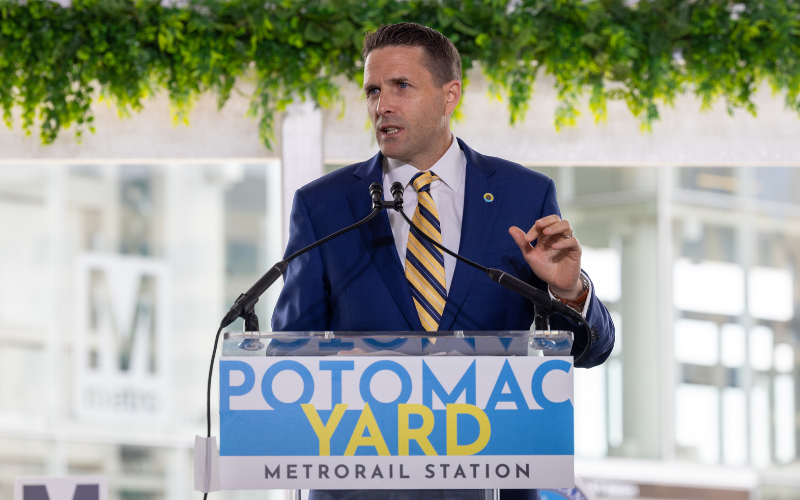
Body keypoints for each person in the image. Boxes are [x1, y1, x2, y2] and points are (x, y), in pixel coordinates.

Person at [272, 22, 615, 500]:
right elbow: (286, 357)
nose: (381, 106)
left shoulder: (524, 195)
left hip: (495, 486)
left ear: (449, 94)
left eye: (401, 87)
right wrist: (338, 369)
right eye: (372, 90)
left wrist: (569, 291)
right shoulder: (325, 206)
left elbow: (591, 351)